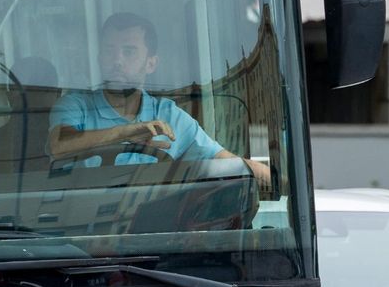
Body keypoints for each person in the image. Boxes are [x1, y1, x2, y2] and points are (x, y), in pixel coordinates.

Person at [48, 12, 269, 184]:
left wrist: (278, 180)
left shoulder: (167, 115)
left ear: (151, 63)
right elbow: (59, 145)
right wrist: (125, 133)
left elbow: (222, 160)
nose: (117, 60)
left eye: (129, 51)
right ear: (99, 57)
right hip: (81, 232)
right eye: (109, 50)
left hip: (156, 236)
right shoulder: (75, 105)